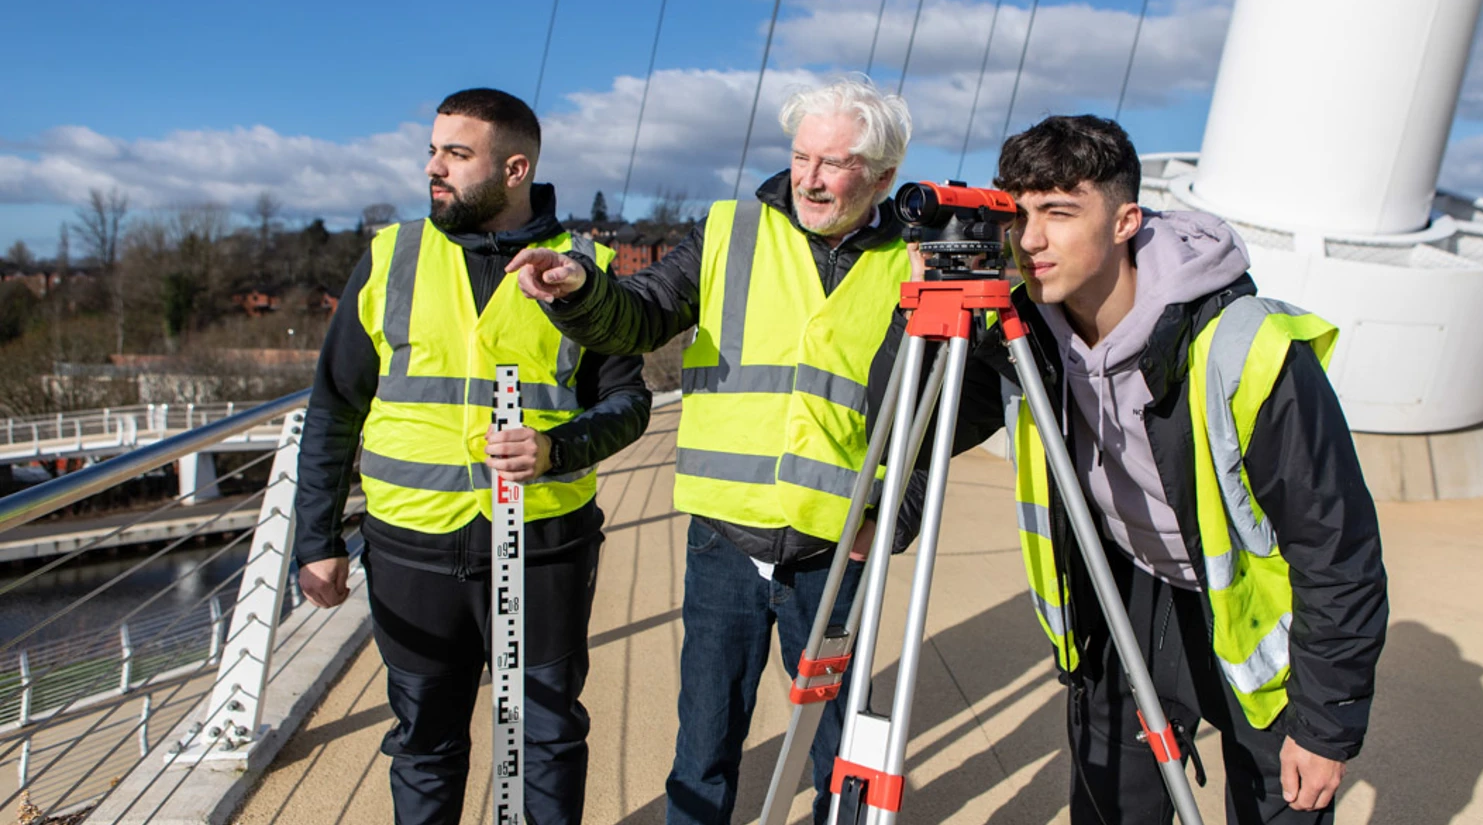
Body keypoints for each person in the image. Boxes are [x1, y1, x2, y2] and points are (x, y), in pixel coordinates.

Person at [900, 114, 1388, 823]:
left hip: (1255, 621)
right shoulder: (1027, 327)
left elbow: (1336, 544)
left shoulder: (1246, 346)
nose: (1031, 240)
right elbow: (909, 424)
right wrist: (918, 307)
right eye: (1020, 212)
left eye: (1061, 213)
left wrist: (1326, 725)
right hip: (1127, 598)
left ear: (1126, 219)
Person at [508, 78, 922, 824]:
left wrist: (898, 513)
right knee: (703, 744)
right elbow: (639, 316)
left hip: (838, 546)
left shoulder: (914, 264)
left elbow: (951, 406)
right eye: (802, 156)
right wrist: (579, 291)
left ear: (884, 176)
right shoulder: (730, 230)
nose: (811, 178)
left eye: (836, 162)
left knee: (841, 744)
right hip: (725, 541)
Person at [293, 88, 652, 825]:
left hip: (546, 546)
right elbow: (335, 405)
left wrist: (558, 447)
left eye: (457, 154)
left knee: (547, 734)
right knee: (424, 740)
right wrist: (315, 539)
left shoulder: (586, 268)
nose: (434, 167)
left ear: (514, 168)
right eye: (432, 150)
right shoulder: (391, 256)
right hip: (409, 547)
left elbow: (628, 402)